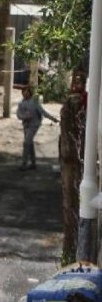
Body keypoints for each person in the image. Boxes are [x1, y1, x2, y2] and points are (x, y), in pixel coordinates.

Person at [60, 71, 88, 263]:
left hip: (74, 159)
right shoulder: (70, 105)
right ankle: (71, 253)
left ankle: (72, 254)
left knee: (74, 201)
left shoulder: (81, 103)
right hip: (70, 157)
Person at [16, 86, 58, 170]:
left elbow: (43, 112)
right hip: (26, 125)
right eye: (23, 92)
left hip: (34, 124)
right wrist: (25, 116)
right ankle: (33, 163)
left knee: (27, 142)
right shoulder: (21, 103)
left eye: (26, 92)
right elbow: (18, 114)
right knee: (29, 143)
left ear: (30, 93)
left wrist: (52, 118)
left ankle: (24, 163)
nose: (25, 93)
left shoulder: (34, 102)